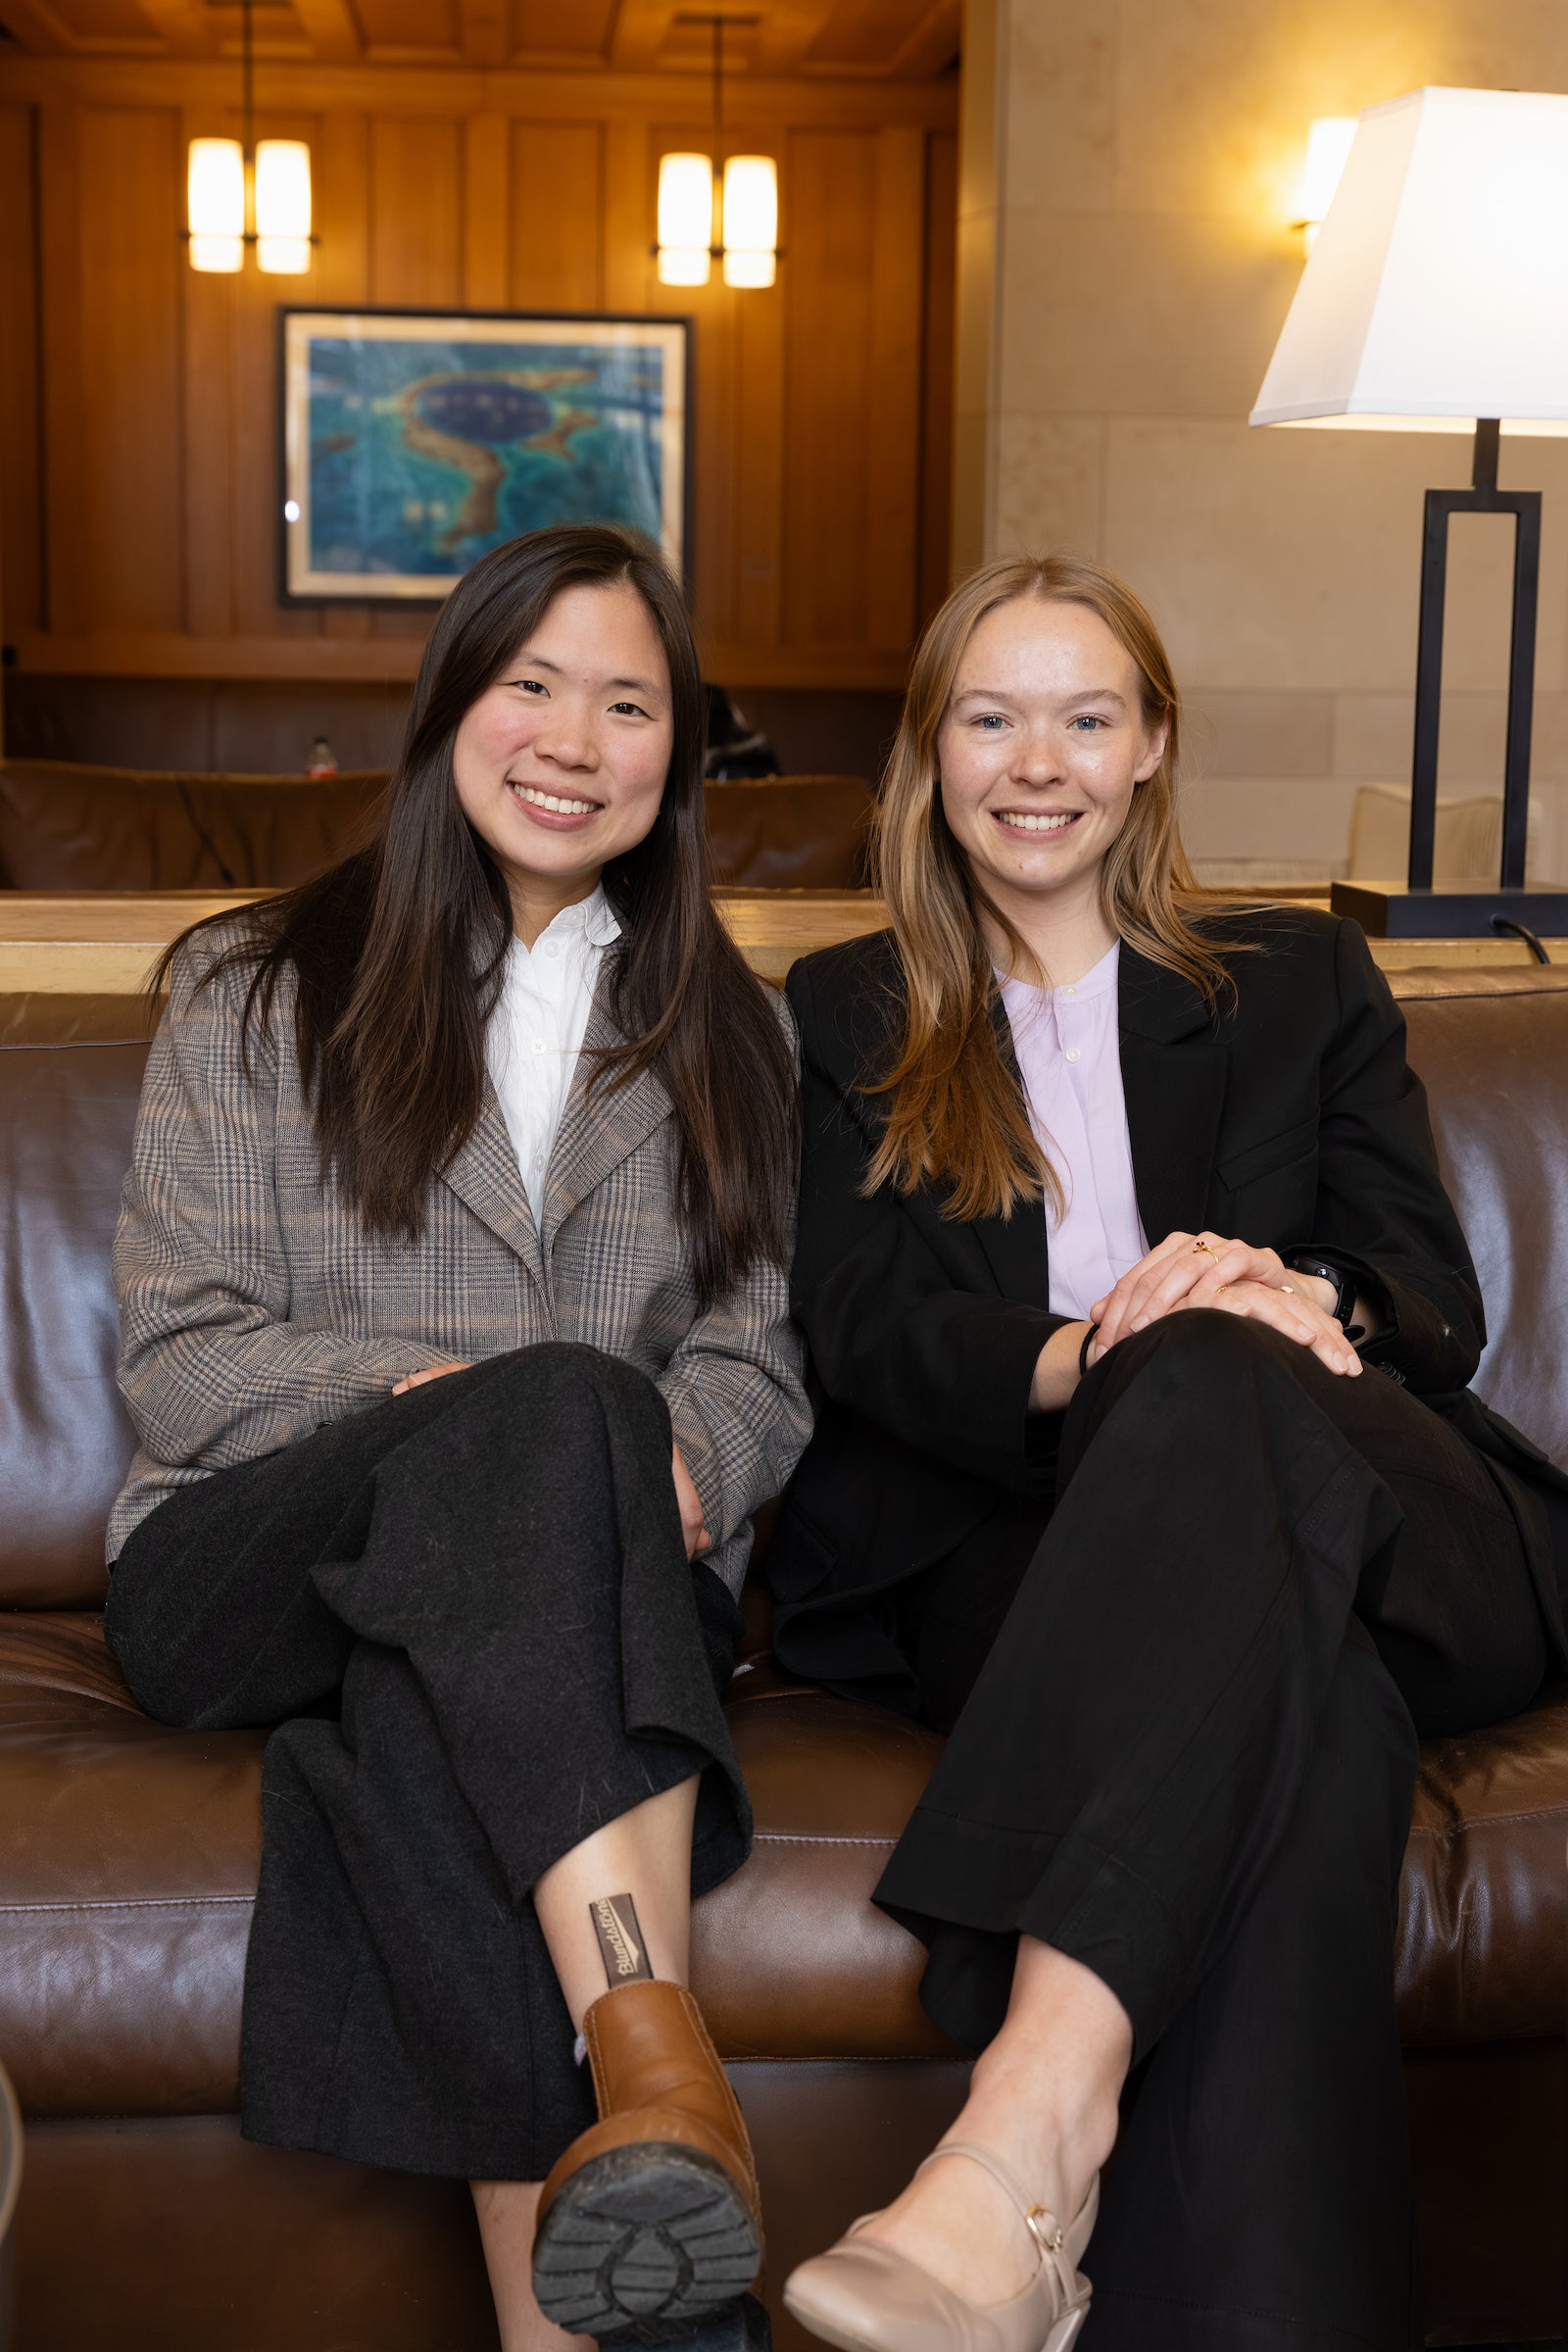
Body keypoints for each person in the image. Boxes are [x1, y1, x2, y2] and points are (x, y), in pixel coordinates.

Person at [770, 554, 1567, 2352]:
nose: (1034, 760)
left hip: (1387, 1508)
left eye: (1082, 716)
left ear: (1150, 751)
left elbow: (1430, 1296)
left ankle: (1021, 2138)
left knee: (1215, 1363)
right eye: (988, 717)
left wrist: (1284, 1304)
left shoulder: (1297, 976)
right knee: (1306, 1719)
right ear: (930, 754)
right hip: (1029, 1544)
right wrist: (1096, 1346)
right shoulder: (849, 1013)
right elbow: (865, 1326)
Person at [103, 525, 809, 2352]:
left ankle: (632, 2193)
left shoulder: (734, 1034)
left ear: (679, 756)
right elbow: (182, 1362)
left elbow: (757, 1365)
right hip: (243, 1564)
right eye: (533, 684)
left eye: (631, 702)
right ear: (451, 709)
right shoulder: (250, 986)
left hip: (556, 1597)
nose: (576, 737)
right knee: (557, 1407)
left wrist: (687, 1467)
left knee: (461, 1701)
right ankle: (654, 2046)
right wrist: (450, 1420)